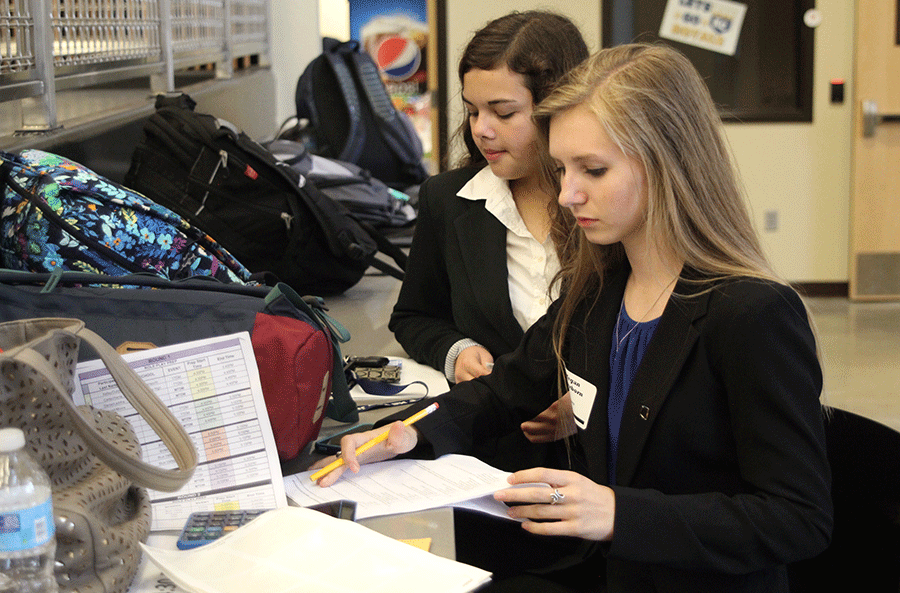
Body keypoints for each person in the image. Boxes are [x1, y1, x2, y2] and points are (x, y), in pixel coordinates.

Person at [319, 43, 833, 592]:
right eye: (561, 168)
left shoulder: (751, 314)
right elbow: (503, 391)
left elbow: (798, 518)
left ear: (669, 164)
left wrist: (617, 513)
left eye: (593, 169)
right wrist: (410, 431)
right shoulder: (599, 292)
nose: (566, 194)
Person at [387, 10, 590, 468]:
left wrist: (591, 401)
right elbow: (415, 316)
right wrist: (454, 353)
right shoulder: (449, 200)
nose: (482, 128)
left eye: (503, 112)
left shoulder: (602, 207)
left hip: (602, 470)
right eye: (473, 110)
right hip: (492, 460)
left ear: (559, 104)